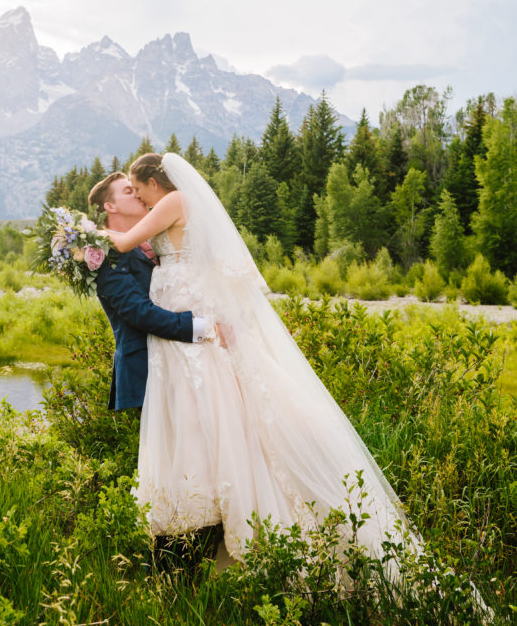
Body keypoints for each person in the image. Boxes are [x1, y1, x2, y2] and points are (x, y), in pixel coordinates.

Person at [105, 152, 421, 570]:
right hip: (185, 318)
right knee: (210, 412)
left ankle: (204, 523)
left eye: (139, 189)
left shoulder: (172, 201)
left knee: (216, 410)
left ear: (153, 181)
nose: (141, 199)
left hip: (186, 319)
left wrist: (75, 237)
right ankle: (195, 519)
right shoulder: (178, 205)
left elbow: (124, 241)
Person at [88, 171, 215, 412]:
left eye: (136, 189)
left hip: (183, 361)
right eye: (128, 191)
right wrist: (203, 328)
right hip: (146, 369)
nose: (137, 194)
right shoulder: (103, 253)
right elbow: (138, 313)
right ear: (109, 206)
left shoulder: (157, 242)